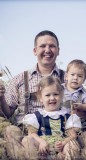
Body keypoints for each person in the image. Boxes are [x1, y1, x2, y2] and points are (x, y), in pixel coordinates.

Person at [0, 30, 65, 159]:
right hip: (26, 133)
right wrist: (1, 97)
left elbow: (82, 108)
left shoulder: (69, 78)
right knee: (10, 131)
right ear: (35, 51)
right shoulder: (20, 79)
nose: (47, 50)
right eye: (42, 46)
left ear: (58, 50)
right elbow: (6, 114)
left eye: (52, 46)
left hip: (59, 134)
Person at [21, 76, 81, 159]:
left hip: (61, 147)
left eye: (56, 94)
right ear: (41, 98)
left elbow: (73, 135)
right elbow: (32, 133)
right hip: (43, 147)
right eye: (47, 95)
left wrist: (63, 143)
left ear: (62, 95)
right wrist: (41, 141)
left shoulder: (67, 116)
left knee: (73, 144)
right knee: (27, 140)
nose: (52, 98)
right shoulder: (36, 116)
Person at [62, 59, 86, 159]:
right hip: (63, 125)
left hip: (81, 125)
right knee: (70, 146)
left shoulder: (82, 93)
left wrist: (82, 106)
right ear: (66, 76)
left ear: (84, 79)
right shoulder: (60, 89)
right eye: (72, 74)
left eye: (80, 76)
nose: (75, 78)